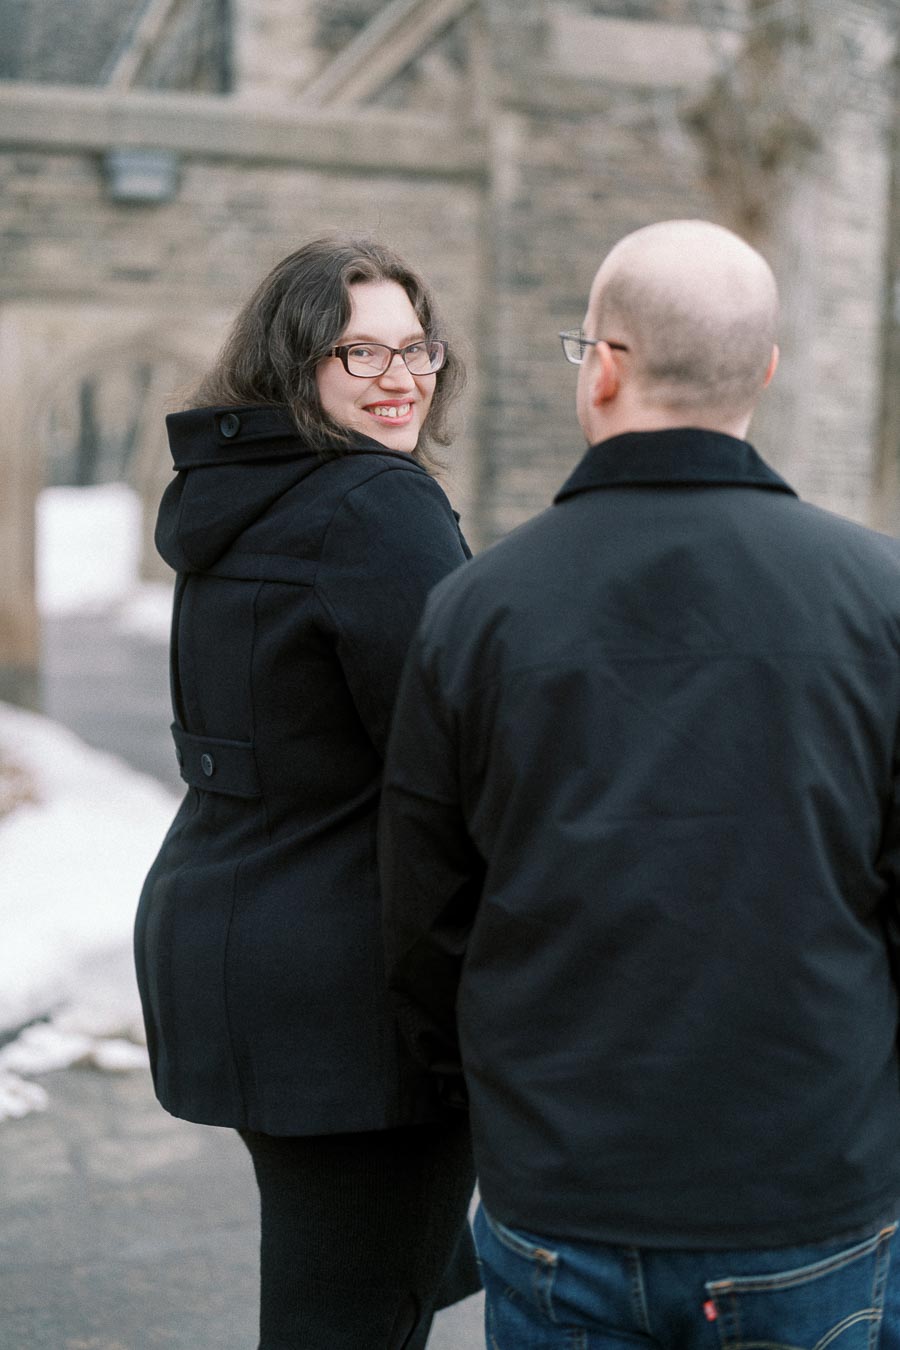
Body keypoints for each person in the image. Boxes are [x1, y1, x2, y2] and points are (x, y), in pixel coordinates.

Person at [379, 219, 900, 1348]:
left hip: (566, 1185)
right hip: (809, 1183)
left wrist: (492, 1100)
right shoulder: (881, 596)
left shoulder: (478, 609)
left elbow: (425, 920)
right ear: (763, 371)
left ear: (605, 364)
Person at [134, 235, 479, 1350]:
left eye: (414, 347)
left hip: (231, 943)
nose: (402, 379)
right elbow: (462, 749)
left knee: (369, 1267)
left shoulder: (236, 497)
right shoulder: (375, 501)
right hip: (351, 988)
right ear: (297, 373)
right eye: (358, 355)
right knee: (350, 1314)